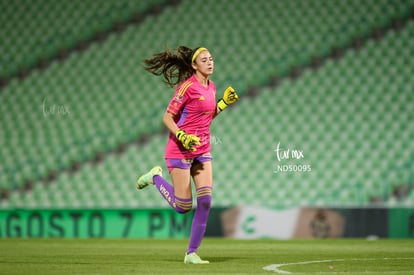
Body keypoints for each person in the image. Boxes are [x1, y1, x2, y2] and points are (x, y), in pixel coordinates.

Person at [136, 46, 238, 264]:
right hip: (180, 150)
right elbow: (167, 117)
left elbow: (205, 117)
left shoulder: (212, 87)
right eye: (204, 60)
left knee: (206, 201)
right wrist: (182, 135)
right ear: (194, 65)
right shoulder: (187, 87)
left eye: (211, 58)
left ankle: (191, 253)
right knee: (183, 207)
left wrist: (223, 103)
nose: (210, 62)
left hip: (201, 150)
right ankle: (155, 177)